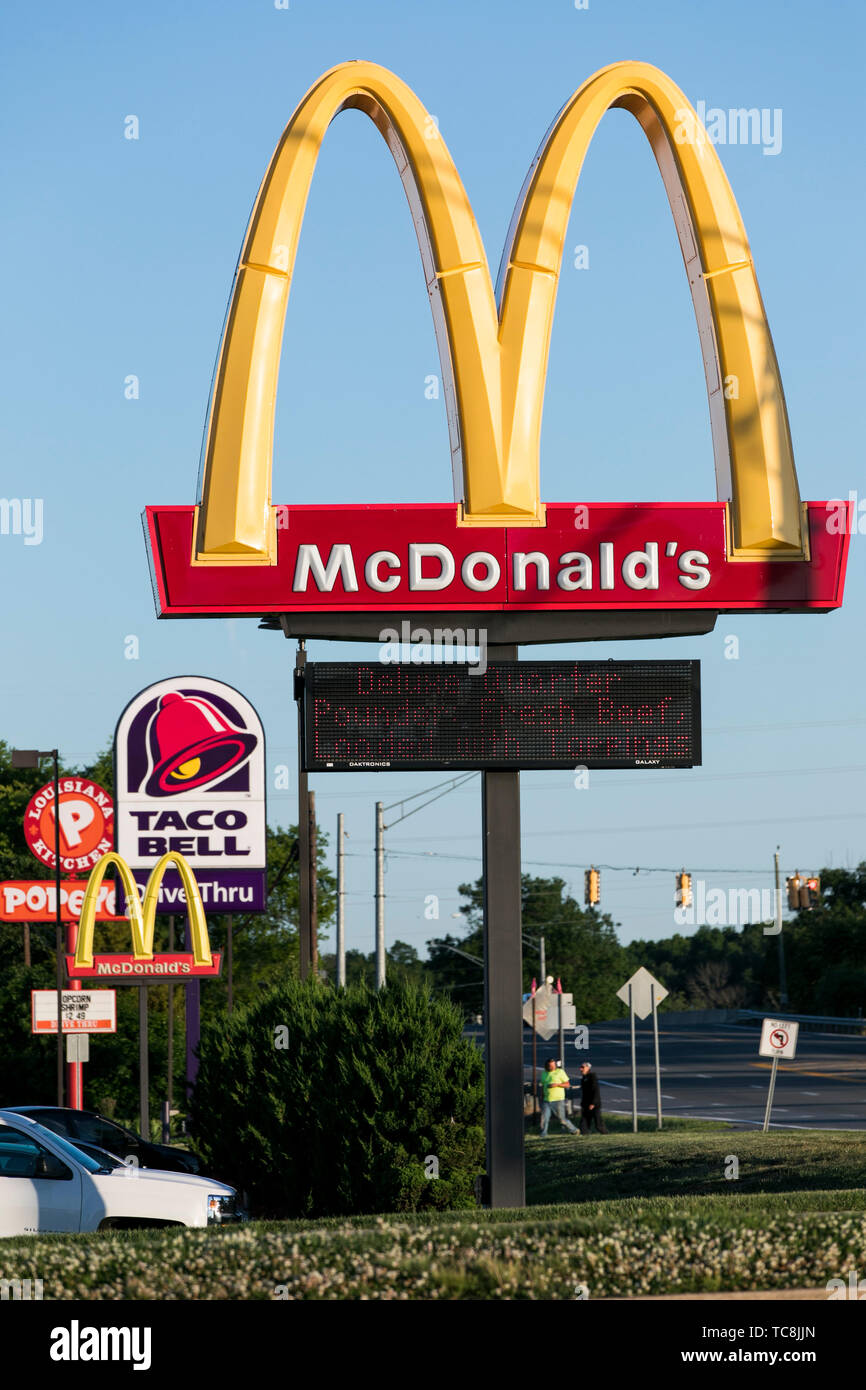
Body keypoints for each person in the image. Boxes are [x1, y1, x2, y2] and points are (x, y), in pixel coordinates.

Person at [539, 1058, 579, 1136]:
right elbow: (543, 1085)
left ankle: (574, 1130)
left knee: (562, 1119)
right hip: (546, 1100)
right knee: (544, 1118)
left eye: (554, 1065)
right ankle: (543, 1134)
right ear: (547, 1066)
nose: (553, 1067)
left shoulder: (560, 1072)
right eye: (551, 1066)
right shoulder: (544, 1073)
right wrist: (542, 1095)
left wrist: (557, 1085)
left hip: (558, 1100)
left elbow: (567, 1084)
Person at [579, 1061, 607, 1133]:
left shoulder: (592, 1077)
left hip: (594, 1104)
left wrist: (593, 1103)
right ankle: (584, 1136)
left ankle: (605, 1134)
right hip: (586, 1104)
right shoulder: (583, 1078)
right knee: (584, 1124)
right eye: (581, 1067)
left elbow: (595, 1091)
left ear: (588, 1068)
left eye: (583, 1067)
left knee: (598, 1124)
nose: (581, 1069)